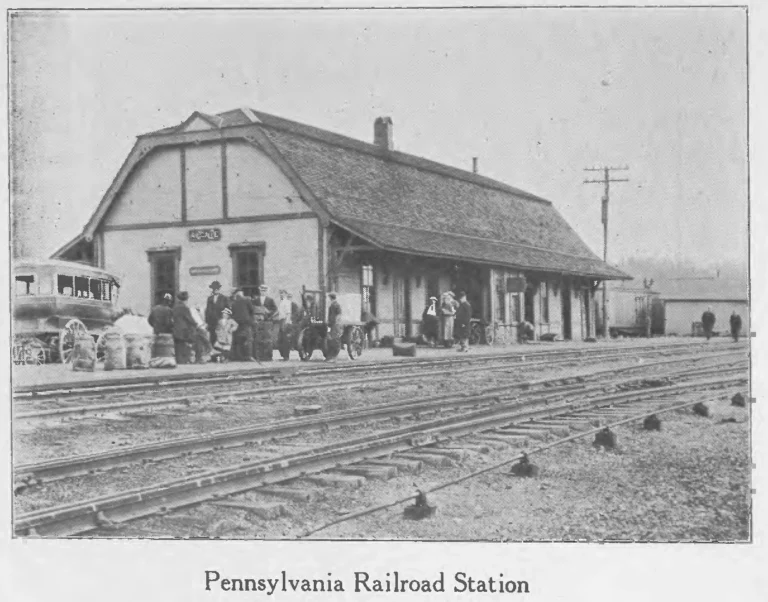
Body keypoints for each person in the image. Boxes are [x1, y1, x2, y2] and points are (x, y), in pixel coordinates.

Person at [171, 291, 198, 364]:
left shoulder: (175, 307)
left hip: (175, 329)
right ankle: (183, 361)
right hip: (184, 329)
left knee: (177, 345)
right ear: (185, 300)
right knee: (183, 345)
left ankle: (178, 360)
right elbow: (189, 318)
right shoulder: (184, 308)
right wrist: (195, 324)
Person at [230, 289, 256, 362]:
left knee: (239, 340)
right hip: (245, 323)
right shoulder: (247, 300)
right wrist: (251, 320)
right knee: (248, 339)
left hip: (238, 324)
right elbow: (252, 311)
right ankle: (248, 356)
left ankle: (240, 357)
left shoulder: (234, 303)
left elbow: (232, 314)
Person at [205, 281, 230, 346]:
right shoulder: (209, 298)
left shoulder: (224, 298)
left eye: (217, 288)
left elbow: (228, 309)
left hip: (220, 321)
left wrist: (224, 318)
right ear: (212, 289)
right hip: (212, 322)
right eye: (214, 288)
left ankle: (221, 350)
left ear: (219, 289)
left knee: (221, 339)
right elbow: (207, 310)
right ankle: (213, 349)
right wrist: (207, 321)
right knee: (212, 338)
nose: (215, 289)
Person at [326, 292, 343, 360]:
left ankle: (334, 356)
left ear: (331, 298)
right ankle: (330, 356)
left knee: (335, 339)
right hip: (330, 324)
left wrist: (336, 322)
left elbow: (339, 314)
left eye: (329, 298)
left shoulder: (336, 305)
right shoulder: (332, 305)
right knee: (329, 338)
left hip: (334, 324)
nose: (329, 299)